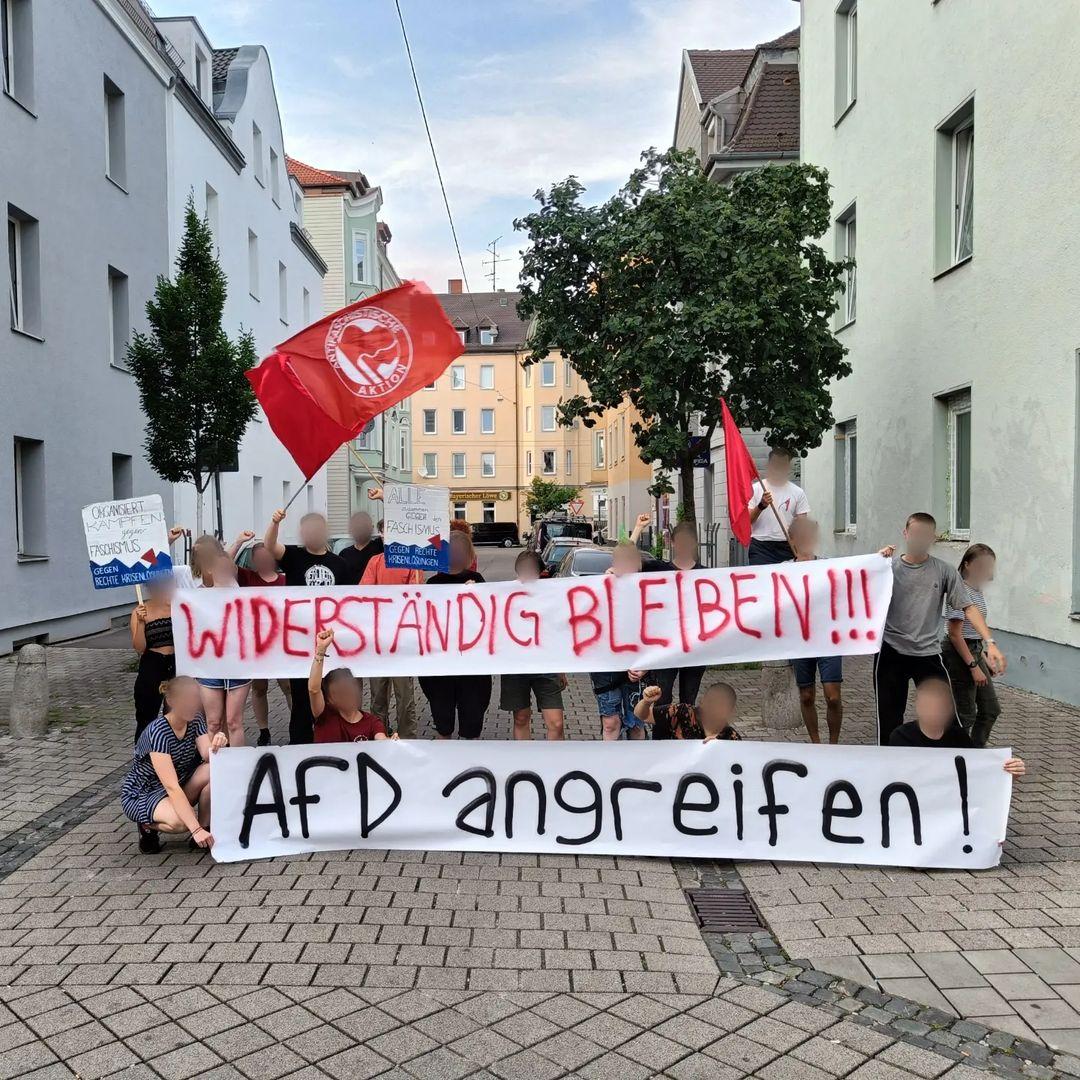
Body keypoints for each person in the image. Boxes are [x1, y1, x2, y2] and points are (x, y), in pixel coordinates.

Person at [876, 513, 1006, 745]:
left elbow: (969, 607)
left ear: (933, 538)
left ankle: (955, 767)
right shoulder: (889, 568)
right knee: (889, 719)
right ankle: (889, 771)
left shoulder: (944, 571)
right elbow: (857, 592)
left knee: (947, 717)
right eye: (915, 533)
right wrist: (875, 562)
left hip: (927, 652)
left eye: (925, 535)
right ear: (905, 534)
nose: (919, 539)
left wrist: (990, 642)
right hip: (891, 652)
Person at [264, 508, 348, 744]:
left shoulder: (339, 564)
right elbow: (270, 546)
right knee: (301, 699)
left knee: (331, 694)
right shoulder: (294, 557)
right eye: (307, 530)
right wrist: (275, 523)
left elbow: (350, 601)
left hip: (331, 642)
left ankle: (331, 739)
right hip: (300, 645)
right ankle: (300, 744)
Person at [120, 676, 227, 854]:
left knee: (214, 770)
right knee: (181, 823)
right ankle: (147, 826)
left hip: (178, 783)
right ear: (171, 701)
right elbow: (171, 786)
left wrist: (218, 743)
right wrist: (194, 828)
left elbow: (207, 756)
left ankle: (204, 828)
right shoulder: (158, 732)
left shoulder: (196, 719)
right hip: (144, 792)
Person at [419, 531, 491, 739]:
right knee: (443, 723)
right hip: (441, 668)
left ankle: (470, 767)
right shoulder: (432, 584)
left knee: (471, 722)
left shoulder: (478, 581)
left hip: (472, 668)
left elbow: (490, 617)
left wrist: (479, 595)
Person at [225, 532, 290, 746]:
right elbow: (224, 564)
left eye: (268, 556)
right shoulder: (247, 578)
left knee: (287, 686)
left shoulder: (285, 580)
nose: (264, 561)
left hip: (280, 644)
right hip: (255, 645)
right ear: (254, 561)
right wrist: (239, 541)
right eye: (260, 557)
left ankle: (296, 724)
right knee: (259, 688)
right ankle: (264, 730)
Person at [889, 679, 1025, 778]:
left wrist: (1009, 771)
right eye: (928, 706)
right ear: (918, 707)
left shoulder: (959, 737)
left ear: (949, 709)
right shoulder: (901, 737)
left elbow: (979, 770)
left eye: (939, 707)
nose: (934, 712)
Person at [785, 517, 843, 744]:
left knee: (833, 696)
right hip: (800, 641)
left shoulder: (828, 566)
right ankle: (816, 744)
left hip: (828, 638)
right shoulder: (783, 571)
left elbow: (856, 579)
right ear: (792, 539)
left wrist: (879, 559)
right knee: (806, 695)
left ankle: (834, 745)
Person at [501, 551, 566, 740]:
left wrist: (562, 667)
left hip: (546, 665)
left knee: (556, 722)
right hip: (516, 666)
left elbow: (559, 632)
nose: (527, 574)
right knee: (521, 718)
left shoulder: (550, 597)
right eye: (523, 570)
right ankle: (526, 763)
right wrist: (470, 589)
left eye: (531, 570)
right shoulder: (505, 594)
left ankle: (553, 766)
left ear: (540, 573)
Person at [641, 520, 708, 708]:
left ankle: (685, 735)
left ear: (694, 544)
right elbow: (627, 562)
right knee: (661, 699)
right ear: (672, 543)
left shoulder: (707, 575)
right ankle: (663, 735)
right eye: (680, 542)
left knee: (689, 701)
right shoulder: (658, 570)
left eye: (688, 542)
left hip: (695, 647)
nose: (684, 547)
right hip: (666, 646)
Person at [942, 543, 1001, 747]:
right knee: (965, 714)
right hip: (958, 652)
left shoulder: (976, 591)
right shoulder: (960, 591)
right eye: (982, 566)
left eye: (989, 566)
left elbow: (973, 630)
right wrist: (974, 667)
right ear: (967, 565)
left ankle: (975, 751)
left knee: (990, 709)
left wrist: (982, 656)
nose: (987, 571)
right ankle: (955, 755)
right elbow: (954, 634)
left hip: (974, 648)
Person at [359, 552, 420, 738]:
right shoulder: (375, 560)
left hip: (401, 641)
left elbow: (414, 596)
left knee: (405, 697)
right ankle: (379, 736)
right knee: (377, 696)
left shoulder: (412, 562)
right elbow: (364, 592)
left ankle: (407, 738)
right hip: (377, 641)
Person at [591, 542, 647, 740]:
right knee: (610, 722)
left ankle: (638, 768)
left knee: (637, 723)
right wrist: (602, 588)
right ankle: (610, 768)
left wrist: (647, 665)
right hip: (606, 668)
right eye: (621, 561)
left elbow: (660, 633)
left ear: (638, 564)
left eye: (630, 561)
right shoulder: (599, 588)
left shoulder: (651, 590)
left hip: (638, 667)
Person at [194, 551, 251, 747]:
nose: (224, 572)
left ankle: (238, 768)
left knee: (234, 721)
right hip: (209, 666)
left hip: (238, 665)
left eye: (228, 568)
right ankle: (215, 769)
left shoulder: (245, 599)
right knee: (213, 722)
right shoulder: (198, 598)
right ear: (210, 569)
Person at [309, 629, 397, 742]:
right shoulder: (324, 717)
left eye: (349, 689)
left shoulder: (372, 722)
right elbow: (314, 690)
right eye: (339, 693)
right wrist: (320, 651)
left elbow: (381, 739)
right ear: (329, 700)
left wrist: (391, 743)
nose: (347, 696)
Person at [130, 577, 177, 740]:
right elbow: (139, 647)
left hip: (176, 664)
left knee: (175, 715)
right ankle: (143, 757)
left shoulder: (177, 607)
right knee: (146, 715)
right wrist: (142, 623)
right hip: (152, 664)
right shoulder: (141, 610)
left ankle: (172, 755)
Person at [747, 448, 809, 564]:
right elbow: (748, 520)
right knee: (763, 581)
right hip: (761, 546)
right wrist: (761, 505)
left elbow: (802, 525)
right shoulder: (756, 489)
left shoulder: (798, 492)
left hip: (787, 546)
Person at [634, 681, 742, 741]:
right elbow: (642, 715)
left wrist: (718, 749)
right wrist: (646, 702)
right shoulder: (682, 712)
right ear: (703, 702)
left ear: (730, 711)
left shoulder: (732, 738)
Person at [339, 511, 384, 586]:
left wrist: (383, 500)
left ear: (371, 528)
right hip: (352, 596)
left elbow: (393, 524)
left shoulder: (380, 547)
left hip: (375, 595)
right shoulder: (344, 554)